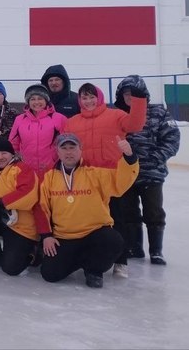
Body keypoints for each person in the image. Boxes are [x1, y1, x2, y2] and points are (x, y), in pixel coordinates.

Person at [63, 81, 148, 278]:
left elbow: (135, 124)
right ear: (80, 100)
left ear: (99, 97)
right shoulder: (72, 122)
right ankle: (92, 256)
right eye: (84, 98)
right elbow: (65, 147)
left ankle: (121, 260)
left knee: (117, 217)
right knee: (90, 219)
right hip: (86, 178)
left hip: (112, 176)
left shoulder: (115, 115)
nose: (89, 101)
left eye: (92, 97)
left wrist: (139, 100)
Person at [39, 133, 138, 288]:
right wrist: (46, 236)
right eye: (64, 148)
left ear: (80, 150)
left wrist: (129, 157)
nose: (68, 152)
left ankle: (93, 270)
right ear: (57, 152)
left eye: (72, 147)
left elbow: (120, 182)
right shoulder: (49, 177)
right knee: (50, 274)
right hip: (65, 236)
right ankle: (81, 259)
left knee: (113, 241)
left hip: (94, 233)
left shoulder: (95, 173)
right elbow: (42, 207)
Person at [114, 75, 179, 266]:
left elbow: (172, 139)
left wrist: (155, 159)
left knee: (154, 212)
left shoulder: (159, 112)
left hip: (152, 173)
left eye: (133, 94)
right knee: (129, 212)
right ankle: (135, 247)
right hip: (125, 175)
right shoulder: (118, 115)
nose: (129, 97)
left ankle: (156, 251)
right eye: (126, 93)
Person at [0, 138, 40, 274]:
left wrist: (0, 202)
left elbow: (28, 193)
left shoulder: (22, 169)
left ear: (12, 154)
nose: (0, 157)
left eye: (4, 153)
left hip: (20, 225)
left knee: (10, 268)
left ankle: (34, 252)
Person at [9, 84, 68, 177]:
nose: (36, 102)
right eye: (32, 99)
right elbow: (13, 144)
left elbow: (67, 143)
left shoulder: (58, 118)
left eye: (40, 98)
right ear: (28, 102)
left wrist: (57, 159)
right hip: (27, 170)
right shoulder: (20, 119)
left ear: (46, 100)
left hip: (52, 170)